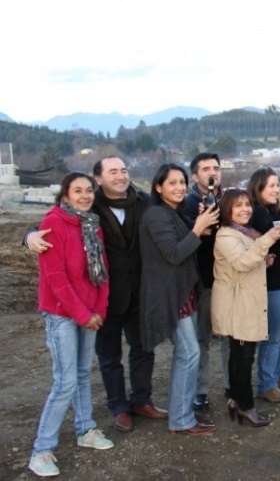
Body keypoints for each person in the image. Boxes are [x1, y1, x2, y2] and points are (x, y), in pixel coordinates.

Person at [26, 157, 167, 434]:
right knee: (109, 356)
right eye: (112, 171)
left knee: (144, 350)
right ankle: (119, 407)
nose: (120, 176)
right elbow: (47, 225)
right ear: (99, 179)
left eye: (124, 170)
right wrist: (29, 236)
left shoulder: (143, 201)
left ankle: (142, 400)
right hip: (104, 296)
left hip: (140, 292)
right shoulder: (91, 205)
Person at [29, 172, 113, 477]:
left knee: (81, 374)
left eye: (89, 190)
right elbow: (57, 280)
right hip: (62, 314)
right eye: (77, 191)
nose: (85, 195)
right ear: (65, 195)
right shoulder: (53, 224)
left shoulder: (91, 224)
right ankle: (42, 449)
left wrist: (99, 309)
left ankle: (86, 429)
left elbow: (102, 271)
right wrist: (82, 314)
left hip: (89, 312)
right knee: (64, 381)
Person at [139, 163, 219, 435]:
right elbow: (174, 253)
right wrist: (197, 229)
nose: (179, 187)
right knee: (189, 353)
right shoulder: (156, 215)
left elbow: (185, 243)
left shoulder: (173, 213)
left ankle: (179, 416)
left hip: (183, 293)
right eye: (171, 183)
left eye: (182, 182)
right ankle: (182, 420)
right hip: (169, 295)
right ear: (158, 187)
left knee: (186, 354)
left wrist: (199, 227)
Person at [211, 188, 280, 427]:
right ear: (227, 210)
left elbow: (246, 261)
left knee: (241, 355)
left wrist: (263, 261)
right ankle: (246, 407)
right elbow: (242, 262)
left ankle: (236, 400)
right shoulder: (226, 235)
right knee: (242, 357)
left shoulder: (242, 232)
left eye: (247, 204)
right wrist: (268, 239)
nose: (245, 209)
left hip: (243, 300)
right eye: (238, 206)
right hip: (238, 305)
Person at [182, 152, 230, 409]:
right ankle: (201, 389)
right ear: (195, 175)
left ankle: (231, 384)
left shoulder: (229, 199)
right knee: (203, 337)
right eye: (206, 169)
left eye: (216, 167)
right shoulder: (188, 202)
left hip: (230, 278)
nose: (212, 172)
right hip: (204, 279)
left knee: (229, 335)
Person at [248, 168, 280, 403]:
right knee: (273, 335)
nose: (277, 190)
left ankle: (277, 374)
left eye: (278, 185)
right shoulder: (256, 213)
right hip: (269, 284)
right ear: (259, 188)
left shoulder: (271, 210)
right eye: (272, 186)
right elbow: (272, 236)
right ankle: (266, 383)